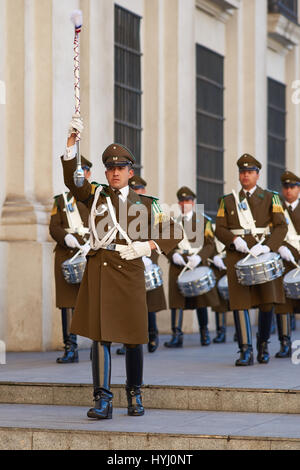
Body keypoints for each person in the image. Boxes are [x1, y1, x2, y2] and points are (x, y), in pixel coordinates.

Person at [61, 116, 182, 419]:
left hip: (129, 270)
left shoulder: (145, 204)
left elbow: (176, 231)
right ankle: (103, 399)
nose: (115, 173)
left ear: (131, 172)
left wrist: (148, 246)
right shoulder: (96, 196)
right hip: (100, 269)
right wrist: (71, 146)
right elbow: (74, 183)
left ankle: (134, 394)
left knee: (131, 337)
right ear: (106, 172)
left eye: (120, 169)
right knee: (100, 336)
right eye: (110, 169)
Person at [216, 154, 288, 366]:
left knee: (267, 302)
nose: (245, 175)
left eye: (250, 172)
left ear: (257, 174)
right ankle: (245, 349)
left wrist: (267, 246)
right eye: (242, 172)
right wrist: (234, 239)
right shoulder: (227, 200)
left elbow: (281, 226)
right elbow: (219, 228)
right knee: (240, 304)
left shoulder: (271, 197)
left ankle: (263, 343)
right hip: (238, 256)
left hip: (263, 255)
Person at [116, 175, 167, 355]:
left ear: (144, 191)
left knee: (148, 304)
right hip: (128, 258)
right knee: (128, 303)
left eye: (139, 190)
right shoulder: (121, 207)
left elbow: (164, 232)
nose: (136, 193)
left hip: (147, 259)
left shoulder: (153, 206)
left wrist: (149, 257)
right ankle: (127, 340)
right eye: (133, 189)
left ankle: (152, 334)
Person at [164, 186, 220, 349]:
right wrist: (172, 254)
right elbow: (166, 245)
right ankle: (177, 335)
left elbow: (210, 244)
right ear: (178, 203)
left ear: (193, 202)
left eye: (187, 200)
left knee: (200, 299)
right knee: (177, 301)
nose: (184, 203)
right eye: (182, 201)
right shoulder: (172, 223)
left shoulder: (204, 221)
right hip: (179, 263)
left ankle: (204, 333)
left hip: (196, 262)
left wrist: (199, 257)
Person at [49, 157, 91, 364]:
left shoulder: (96, 198)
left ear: (88, 174)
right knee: (67, 304)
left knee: (93, 303)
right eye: (76, 172)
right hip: (67, 255)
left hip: (90, 254)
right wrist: (66, 238)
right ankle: (70, 348)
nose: (79, 175)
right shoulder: (61, 200)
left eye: (82, 171)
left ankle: (97, 347)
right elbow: (54, 226)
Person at [274, 171, 300, 358]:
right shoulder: (277, 209)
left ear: (298, 189)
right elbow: (272, 232)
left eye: (292, 187)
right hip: (284, 261)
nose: (289, 191)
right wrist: (280, 246)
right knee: (283, 304)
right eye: (286, 187)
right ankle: (285, 343)